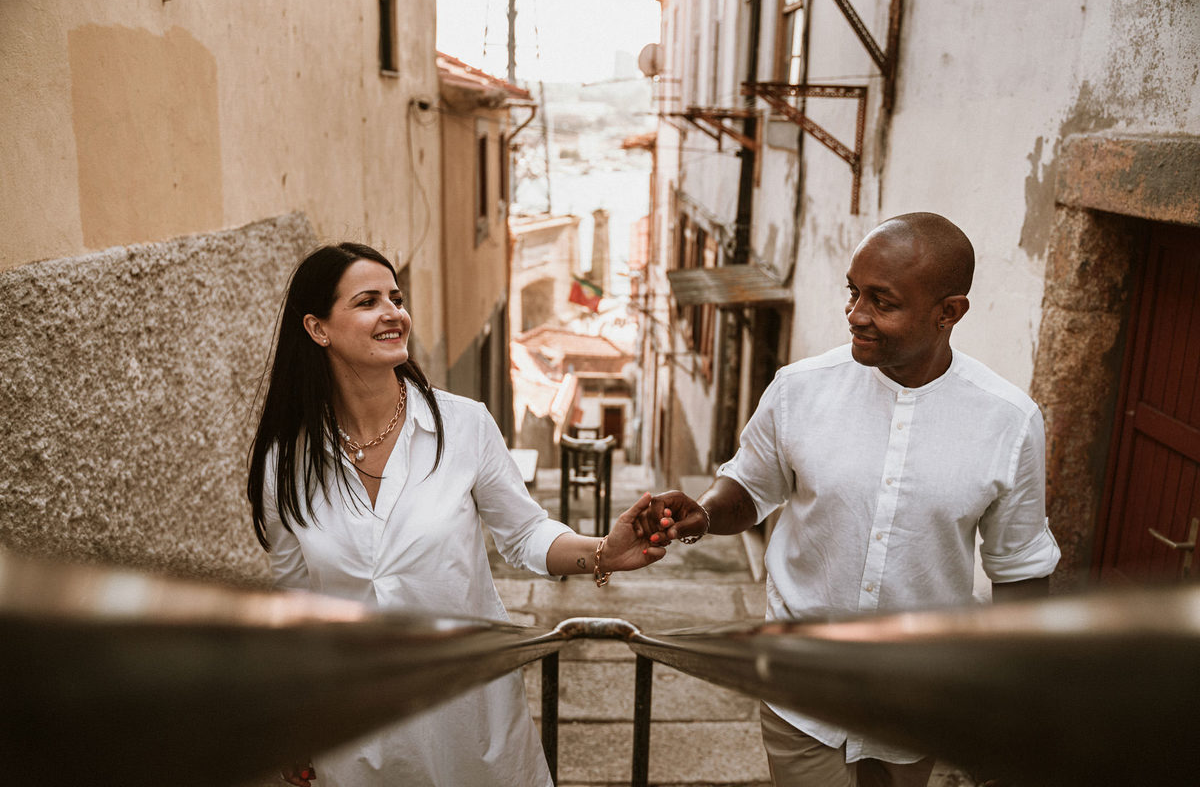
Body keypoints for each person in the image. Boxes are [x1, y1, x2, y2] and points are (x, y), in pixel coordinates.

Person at [638, 213, 1060, 787]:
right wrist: (705, 512)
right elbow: (751, 486)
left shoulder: (1009, 421)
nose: (856, 314)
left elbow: (1020, 568)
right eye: (853, 292)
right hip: (802, 689)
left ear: (949, 312)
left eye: (882, 302)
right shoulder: (799, 388)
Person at [247, 242, 671, 787]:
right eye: (368, 301)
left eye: (396, 298)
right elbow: (294, 599)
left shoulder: (464, 424)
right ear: (317, 328)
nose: (393, 313)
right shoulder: (286, 462)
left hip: (469, 716)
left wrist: (602, 552)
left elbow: (524, 533)